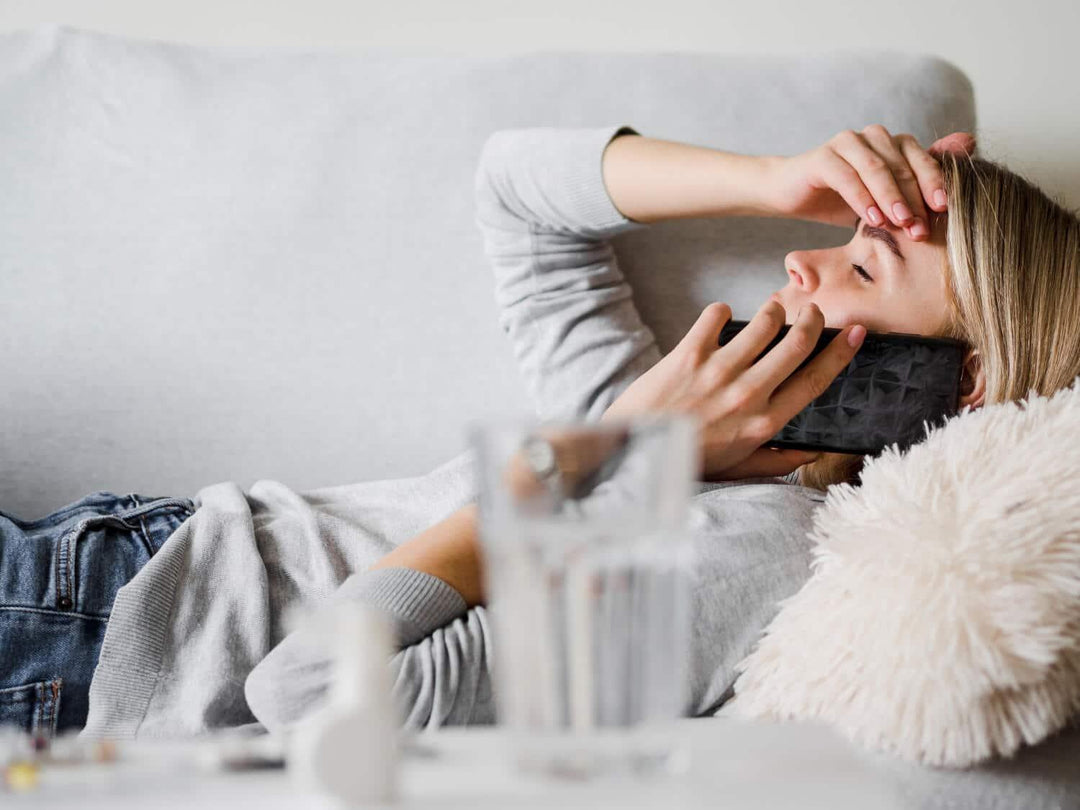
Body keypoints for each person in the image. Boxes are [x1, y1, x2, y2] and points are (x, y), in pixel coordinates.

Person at [2, 121, 1077, 739]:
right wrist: (772, 179)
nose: (800, 261)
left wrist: (610, 449)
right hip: (132, 557)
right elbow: (517, 192)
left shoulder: (755, 551)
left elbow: (314, 693)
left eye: (861, 268)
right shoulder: (697, 428)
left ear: (960, 380)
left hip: (107, 628)